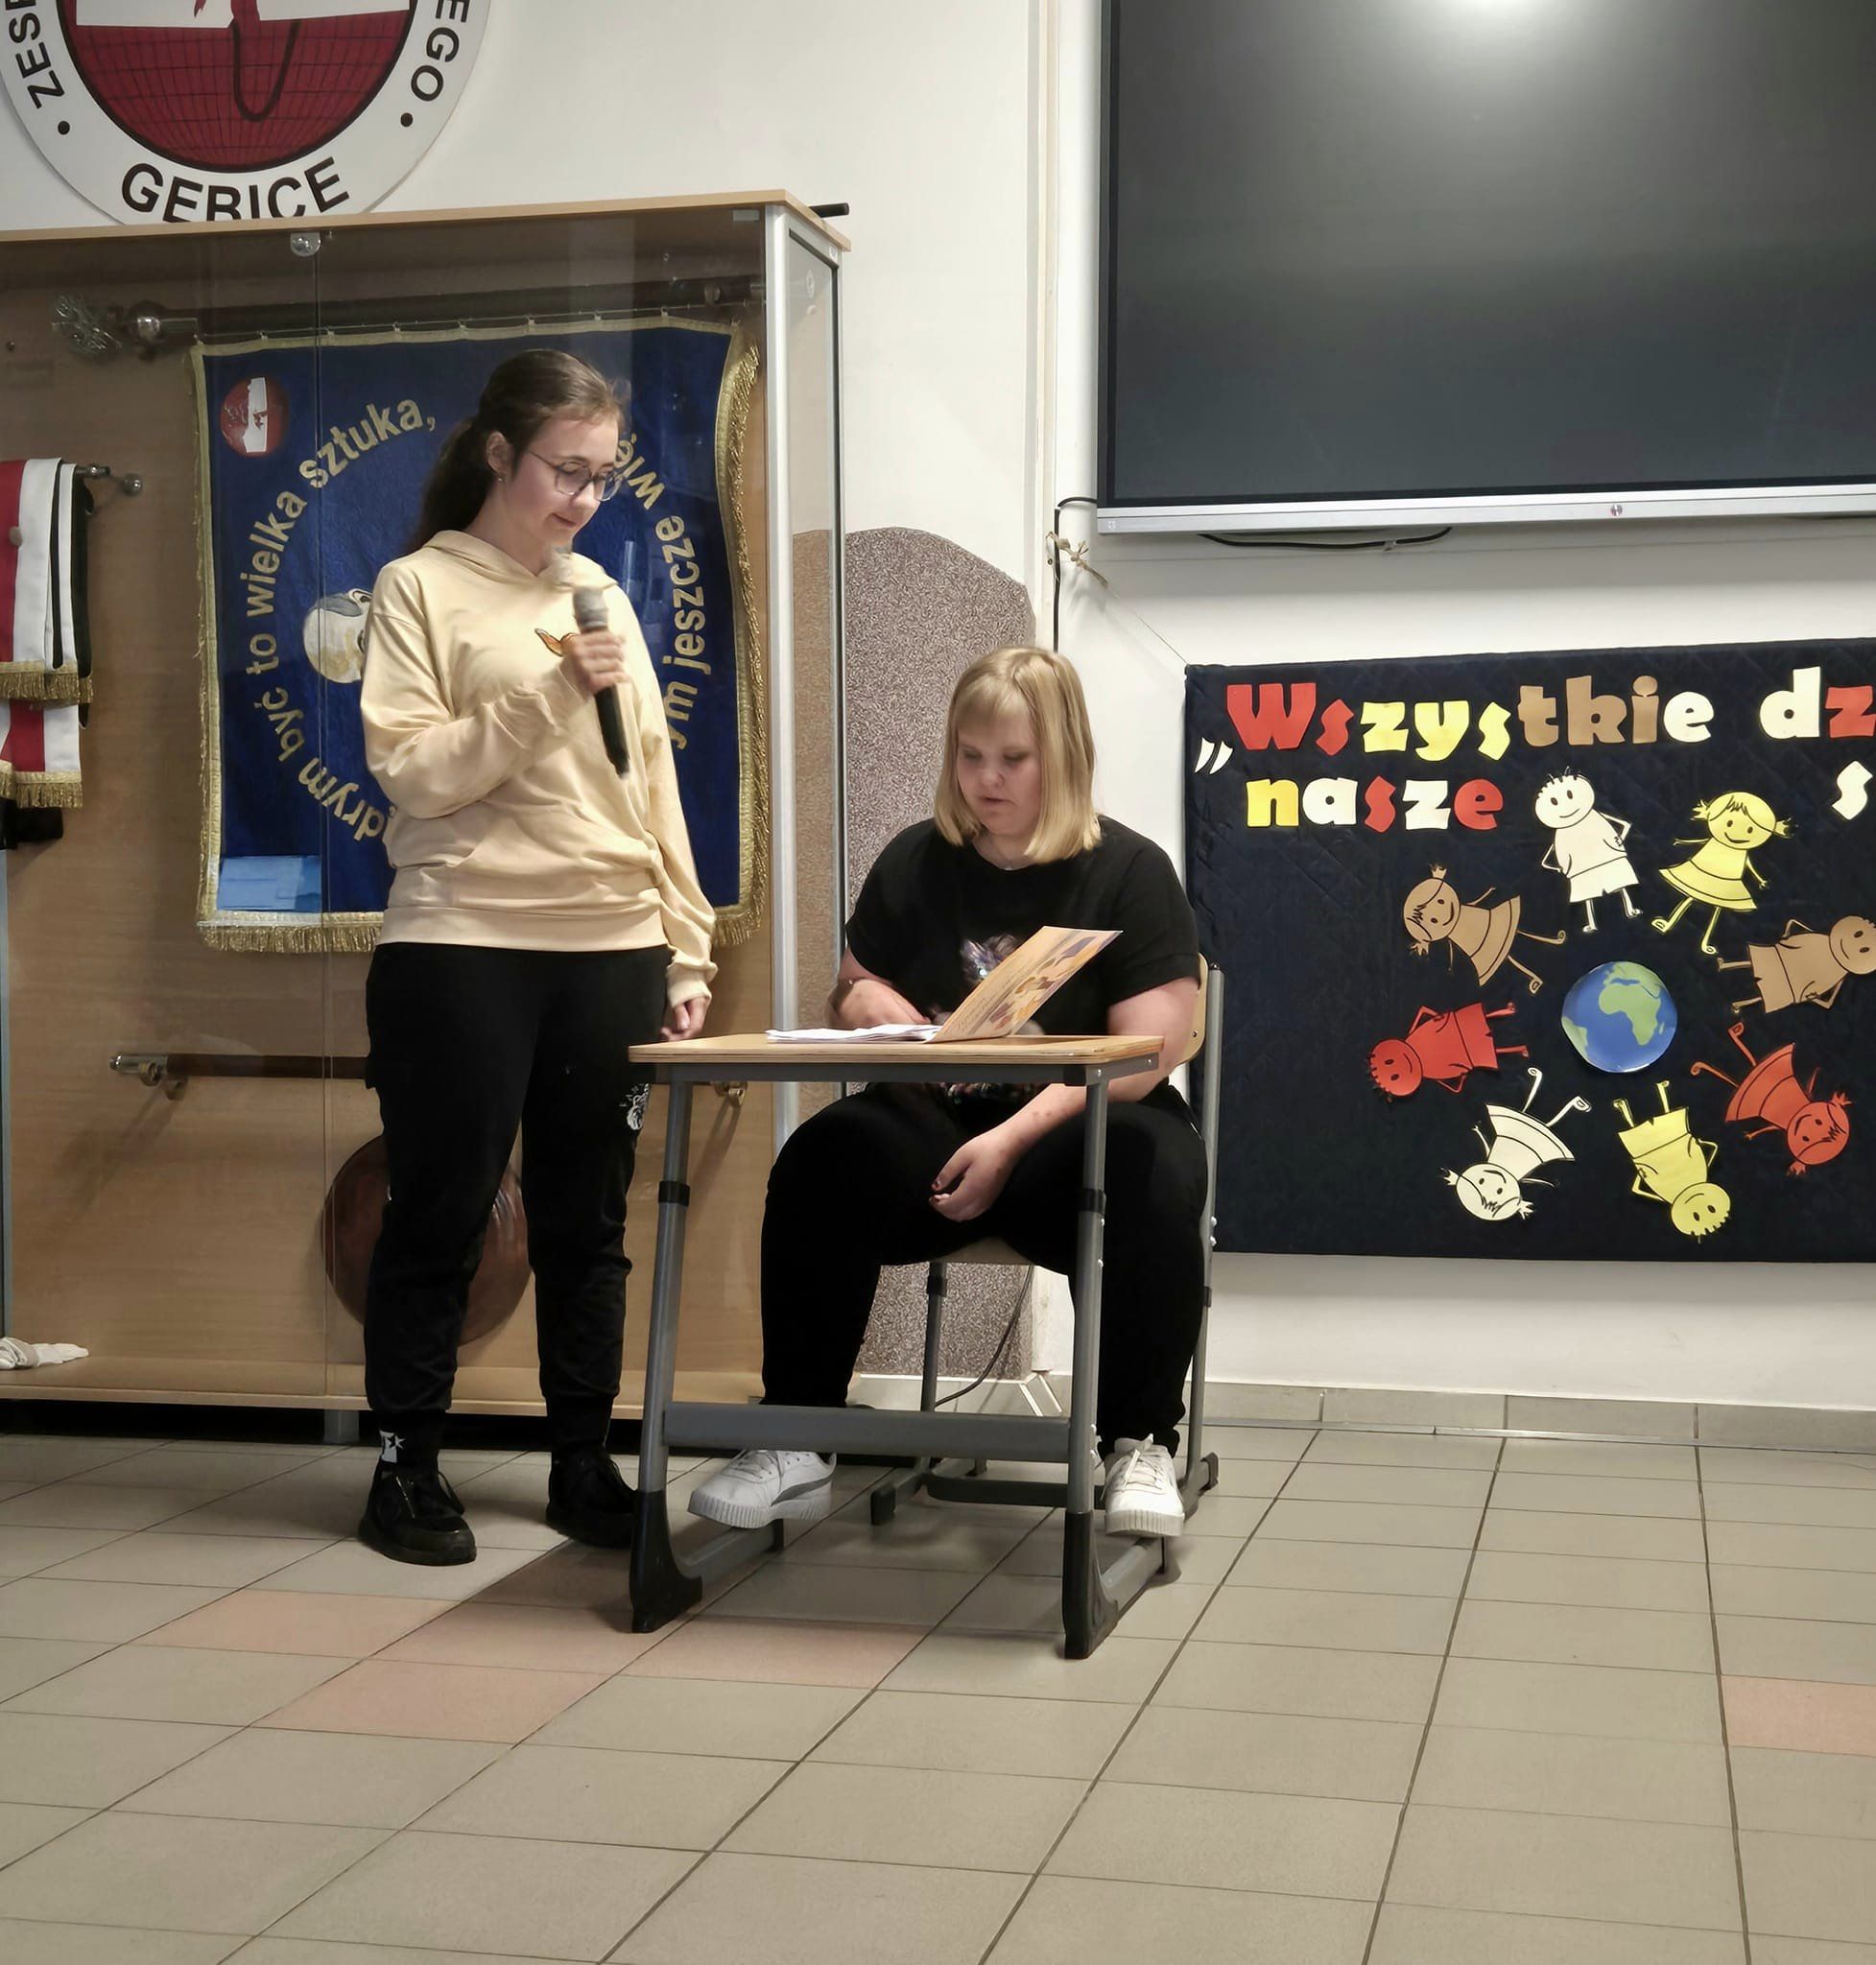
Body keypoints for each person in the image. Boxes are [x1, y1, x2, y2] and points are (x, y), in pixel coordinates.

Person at [689, 644, 1206, 1540]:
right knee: (820, 1155)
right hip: (932, 1129)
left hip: (1073, 1138)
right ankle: (797, 1434)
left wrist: (1009, 1140)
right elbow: (851, 987)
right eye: (970, 756)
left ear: (1063, 756)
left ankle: (1137, 1440)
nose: (985, 779)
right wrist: (865, 1001)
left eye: (1012, 758)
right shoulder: (915, 860)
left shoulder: (1130, 869)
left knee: (1157, 1168)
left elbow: (1148, 1054)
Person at [355, 349, 714, 1565]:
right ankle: (405, 1466)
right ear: (498, 453)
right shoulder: (417, 586)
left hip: (609, 942)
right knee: (441, 1211)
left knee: (587, 1223)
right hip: (462, 938)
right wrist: (545, 692)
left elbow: (648, 778)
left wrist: (683, 949)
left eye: (601, 476)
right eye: (565, 470)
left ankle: (579, 1461)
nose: (583, 498)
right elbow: (413, 771)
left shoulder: (599, 592)